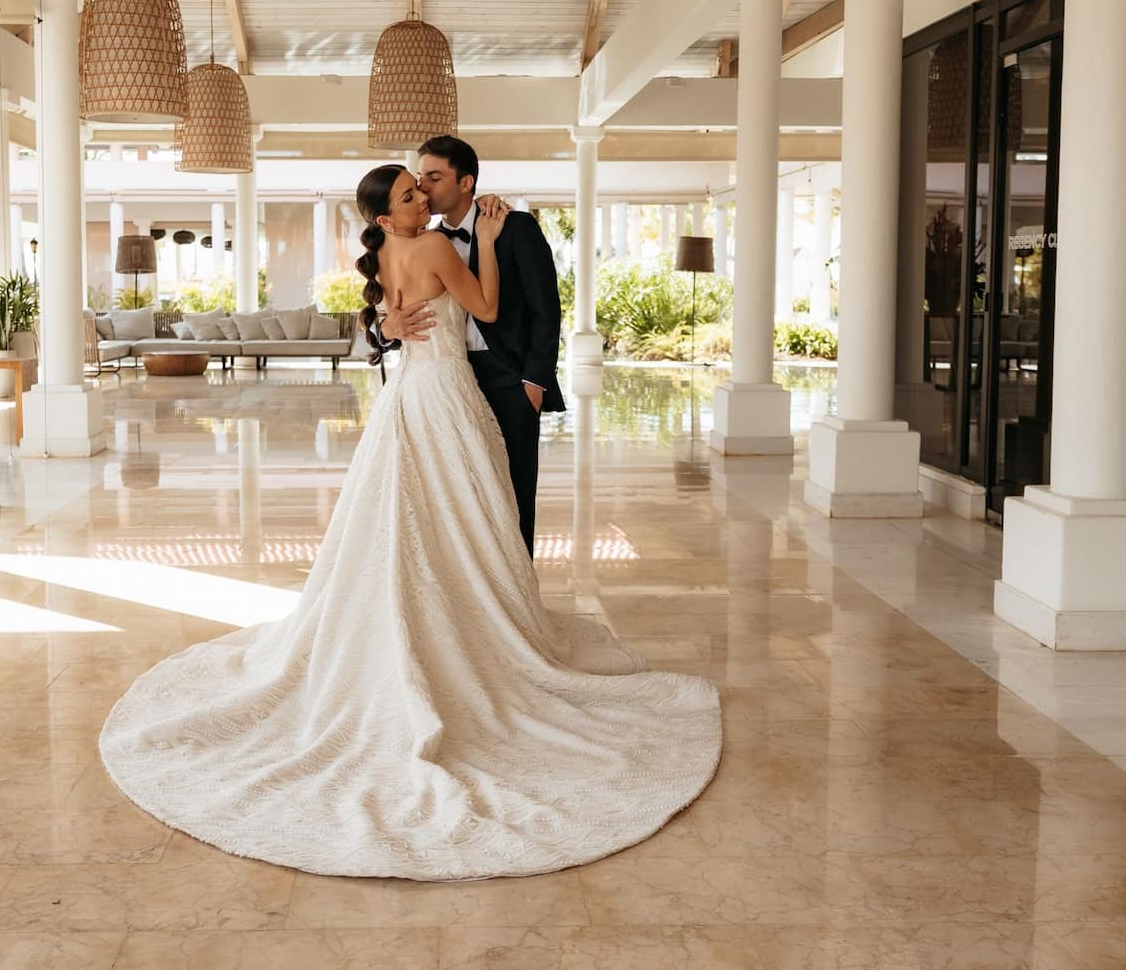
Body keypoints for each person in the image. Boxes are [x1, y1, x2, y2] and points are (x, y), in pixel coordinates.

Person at [98, 165, 721, 882]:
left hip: (405, 398)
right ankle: (467, 624)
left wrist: (389, 323)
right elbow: (485, 308)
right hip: (446, 395)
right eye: (407, 194)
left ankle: (426, 619)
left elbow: (392, 325)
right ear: (386, 215)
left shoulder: (394, 252)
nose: (420, 197)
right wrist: (485, 238)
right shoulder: (432, 247)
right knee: (463, 515)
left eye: (421, 188)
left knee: (410, 517)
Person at [376, 135, 562, 553]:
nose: (423, 188)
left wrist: (534, 381)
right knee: (457, 501)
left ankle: (517, 604)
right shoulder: (422, 242)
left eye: (434, 177)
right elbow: (383, 313)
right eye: (419, 179)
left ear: (466, 182)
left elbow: (546, 310)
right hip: (448, 384)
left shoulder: (516, 228)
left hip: (509, 380)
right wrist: (387, 330)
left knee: (512, 497)